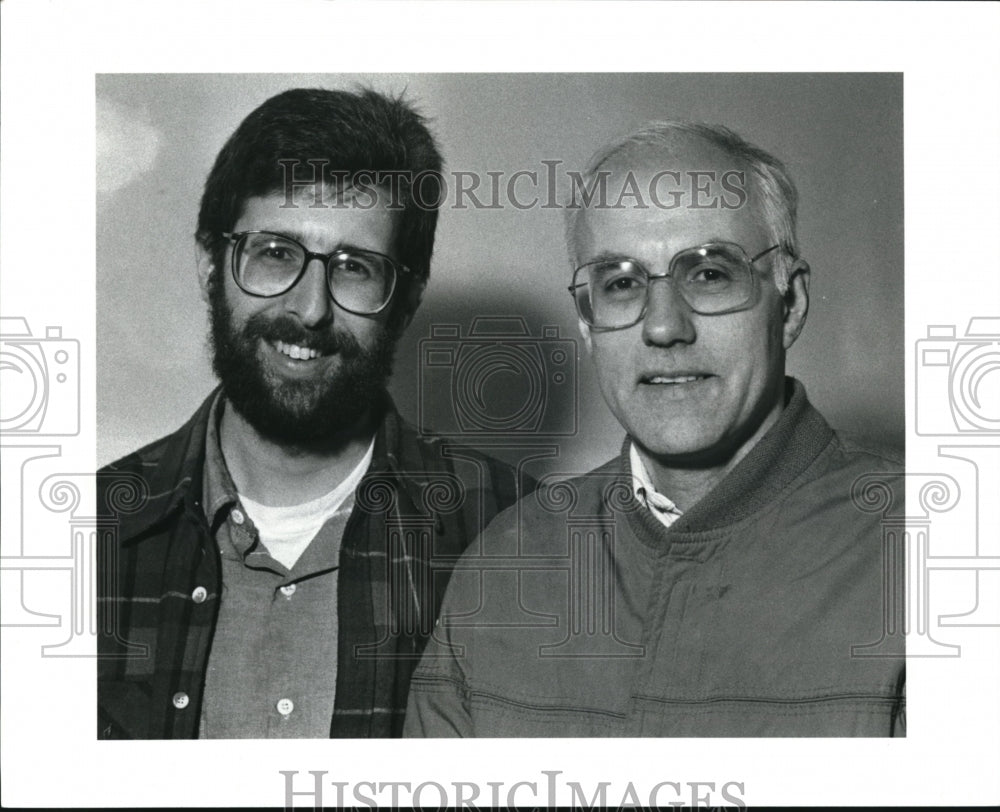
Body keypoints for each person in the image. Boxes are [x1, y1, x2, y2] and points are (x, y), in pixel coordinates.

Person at [404, 122, 905, 737]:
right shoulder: (505, 563)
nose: (664, 327)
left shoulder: (925, 557)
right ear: (588, 324)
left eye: (710, 274)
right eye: (622, 283)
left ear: (791, 304)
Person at [96, 88, 529, 739]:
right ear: (211, 267)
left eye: (355, 267)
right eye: (275, 253)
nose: (310, 308)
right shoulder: (75, 539)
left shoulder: (519, 534)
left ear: (405, 300)